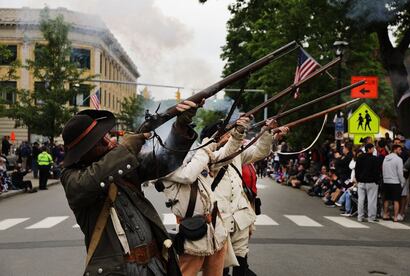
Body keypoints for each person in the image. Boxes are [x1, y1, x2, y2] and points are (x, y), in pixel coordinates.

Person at [60, 102, 199, 276]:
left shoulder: (121, 163)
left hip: (154, 265)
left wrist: (181, 126)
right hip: (119, 270)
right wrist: (126, 148)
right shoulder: (72, 176)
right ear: (84, 151)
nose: (109, 141)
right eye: (100, 141)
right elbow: (86, 184)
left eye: (106, 135)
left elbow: (165, 161)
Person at [154, 116, 250, 276]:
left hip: (216, 229)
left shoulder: (197, 157)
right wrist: (206, 147)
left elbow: (225, 153)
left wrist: (238, 133)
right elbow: (188, 175)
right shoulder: (166, 166)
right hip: (193, 230)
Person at [214, 119, 288, 276]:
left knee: (241, 262)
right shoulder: (210, 156)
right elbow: (226, 152)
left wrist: (267, 132)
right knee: (221, 264)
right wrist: (238, 132)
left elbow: (260, 151)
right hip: (220, 217)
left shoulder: (237, 154)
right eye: (227, 133)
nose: (230, 136)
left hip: (240, 216)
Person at [355, 143, 381, 222]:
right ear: (369, 149)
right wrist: (377, 180)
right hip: (371, 182)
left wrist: (358, 179)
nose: (374, 150)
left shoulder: (359, 157)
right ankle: (371, 217)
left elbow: (357, 169)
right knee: (371, 200)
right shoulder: (375, 159)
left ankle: (360, 216)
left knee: (361, 200)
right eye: (373, 148)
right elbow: (377, 171)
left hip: (361, 182)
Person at [382, 144, 405, 222]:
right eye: (399, 150)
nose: (400, 151)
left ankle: (385, 214)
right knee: (396, 200)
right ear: (395, 150)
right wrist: (402, 182)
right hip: (395, 182)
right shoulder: (399, 159)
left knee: (386, 199)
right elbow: (400, 173)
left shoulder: (386, 158)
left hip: (386, 181)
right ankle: (395, 217)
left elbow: (383, 169)